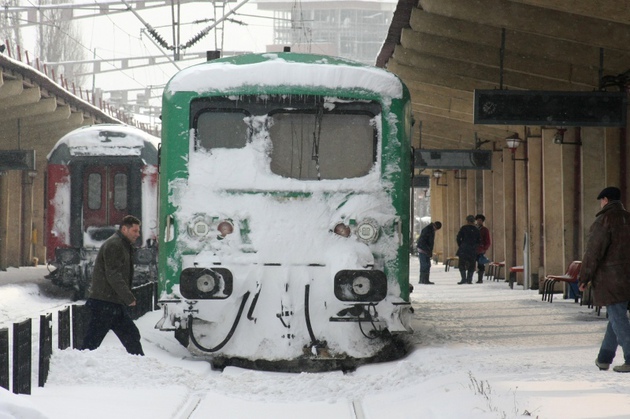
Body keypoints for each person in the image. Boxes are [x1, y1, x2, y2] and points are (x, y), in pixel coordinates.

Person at [579, 186, 630, 373]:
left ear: (606, 200)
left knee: (618, 318)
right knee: (616, 317)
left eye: (601, 200)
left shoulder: (604, 221)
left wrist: (584, 277)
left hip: (611, 278)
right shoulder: (628, 218)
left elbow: (593, 253)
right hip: (626, 277)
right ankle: (604, 358)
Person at [81, 215, 145, 356]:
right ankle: (80, 365)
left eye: (138, 231)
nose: (138, 234)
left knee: (131, 335)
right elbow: (113, 274)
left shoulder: (122, 245)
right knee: (92, 342)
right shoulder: (115, 245)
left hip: (112, 302)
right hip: (104, 303)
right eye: (134, 231)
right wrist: (128, 297)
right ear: (124, 229)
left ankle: (140, 364)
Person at [456, 215, 480, 284]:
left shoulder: (463, 228)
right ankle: (469, 279)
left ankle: (463, 279)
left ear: (467, 221)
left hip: (464, 249)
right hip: (472, 249)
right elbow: (479, 240)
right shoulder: (476, 229)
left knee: (462, 264)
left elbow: (458, 238)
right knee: (472, 264)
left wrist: (461, 245)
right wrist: (475, 246)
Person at [475, 214, 492, 283]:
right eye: (478, 220)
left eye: (480, 220)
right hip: (473, 249)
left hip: (480, 250)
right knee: (470, 263)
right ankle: (469, 278)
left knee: (481, 264)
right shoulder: (473, 229)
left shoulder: (485, 230)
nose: (479, 221)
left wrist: (484, 248)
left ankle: (480, 279)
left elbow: (487, 241)